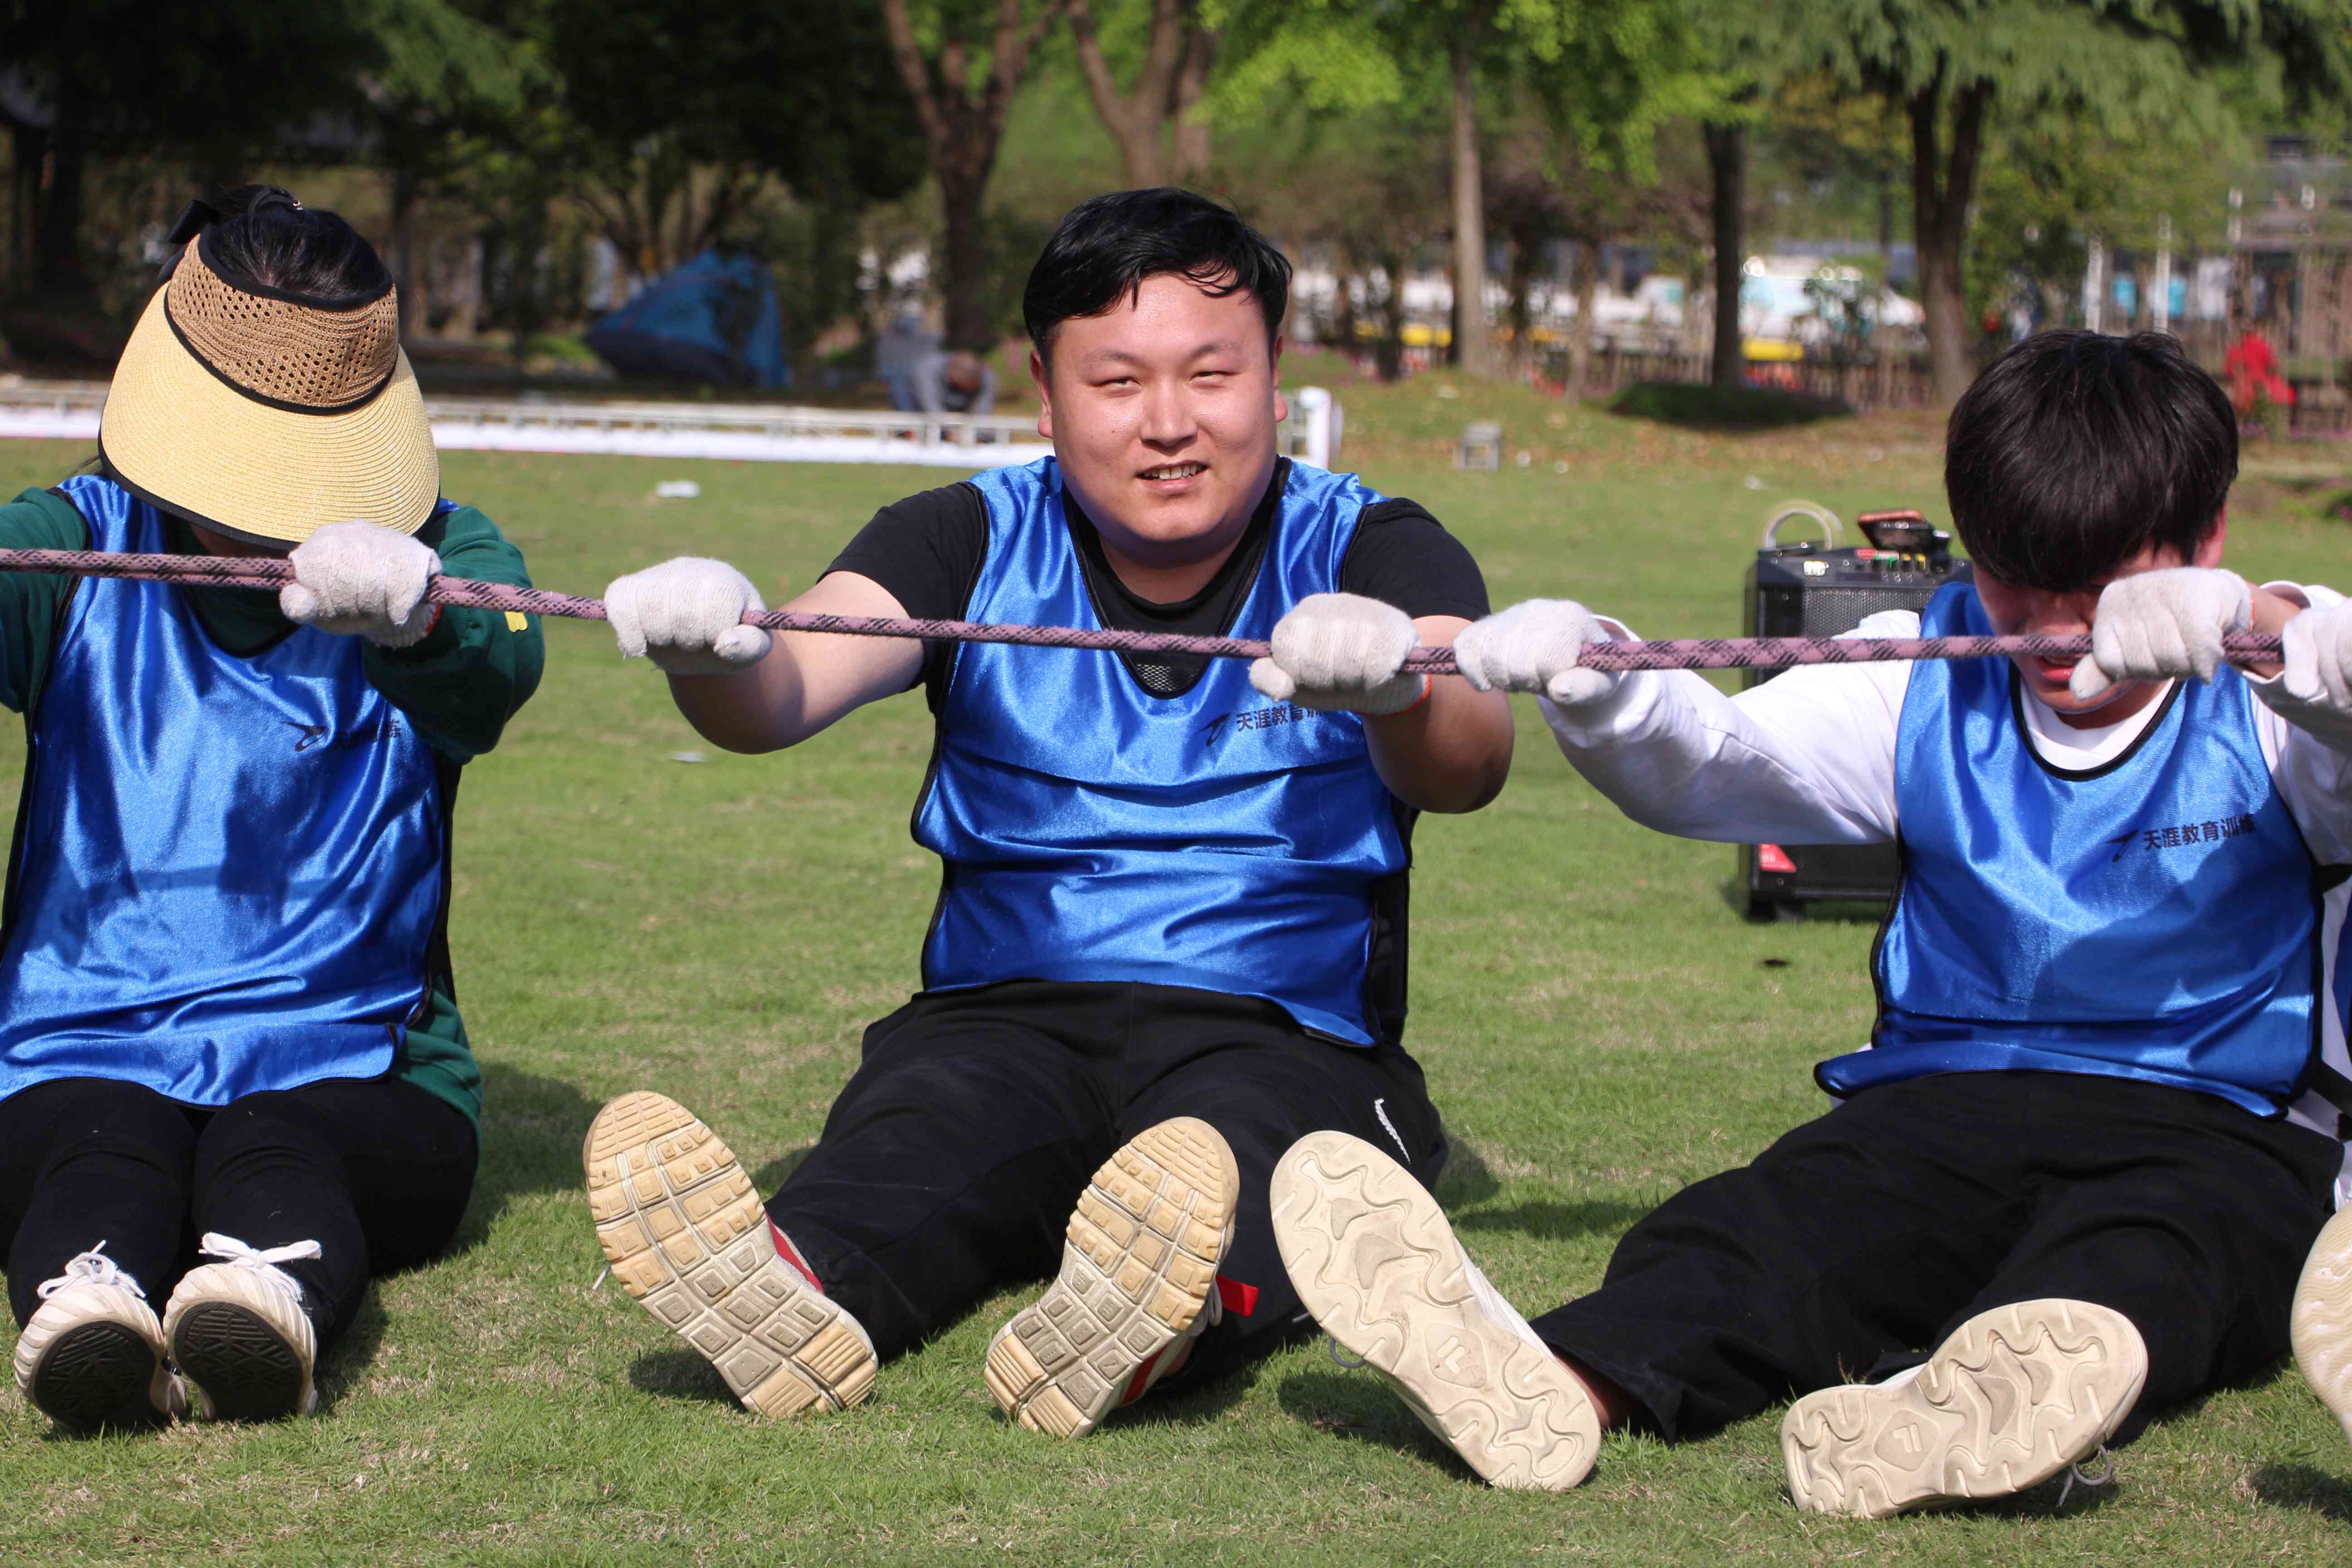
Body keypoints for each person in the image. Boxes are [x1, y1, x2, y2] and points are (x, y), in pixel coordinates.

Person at [1268, 329, 2352, 1511]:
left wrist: (2269, 621)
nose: (2045, 626)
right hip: (1943, 1109)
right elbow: (1729, 760)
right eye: (2010, 573)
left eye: (2089, 580)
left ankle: (1967, 1404)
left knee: (2159, 1256)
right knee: (1770, 1226)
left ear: (2203, 541)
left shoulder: (2280, 698)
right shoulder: (1922, 666)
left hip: (2227, 1129)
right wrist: (1608, 685)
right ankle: (1555, 1382)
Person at [582, 187, 1514, 1435]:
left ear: (1275, 379)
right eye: (1119, 382)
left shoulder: (1374, 546)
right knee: (914, 1146)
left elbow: (1470, 759)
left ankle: (1153, 1324)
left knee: (1260, 1176)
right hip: (1001, 1016)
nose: (1171, 424)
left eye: (1212, 375)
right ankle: (789, 1286)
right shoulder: (962, 534)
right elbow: (789, 684)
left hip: (1279, 1033)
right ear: (1046, 391)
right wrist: (713, 649)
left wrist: (1400, 684)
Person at [0, 186, 544, 1431]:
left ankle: (262, 1304)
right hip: (73, 1051)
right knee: (97, 1143)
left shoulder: (450, 551)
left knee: (280, 1142)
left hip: (362, 1068)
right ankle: (85, 1307)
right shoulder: (71, 545)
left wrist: (415, 618)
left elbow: (502, 665)